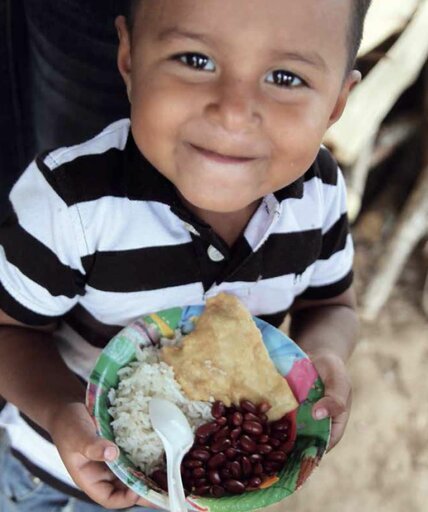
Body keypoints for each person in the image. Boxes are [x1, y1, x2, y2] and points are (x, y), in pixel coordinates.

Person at [0, 0, 372, 510]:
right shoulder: (71, 205)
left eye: (285, 77)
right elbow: (9, 330)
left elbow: (333, 305)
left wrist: (324, 355)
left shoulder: (320, 193)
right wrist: (61, 408)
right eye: (196, 60)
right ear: (130, 58)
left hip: (202, 485)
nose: (235, 111)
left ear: (336, 103)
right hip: (57, 476)